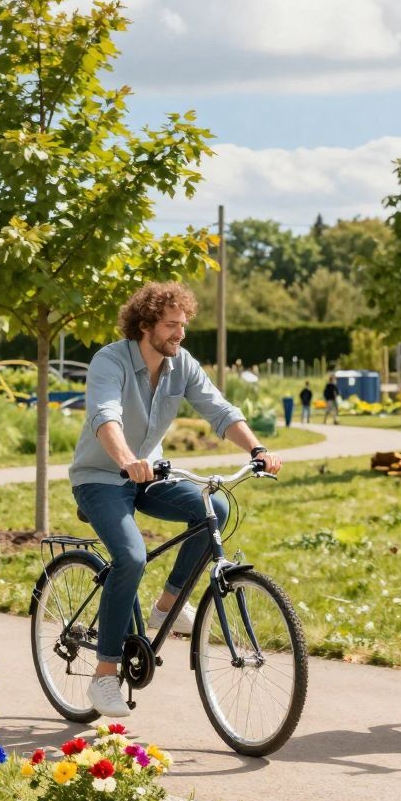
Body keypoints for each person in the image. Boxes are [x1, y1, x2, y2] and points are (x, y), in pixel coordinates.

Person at [69, 282, 282, 718]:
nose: (180, 334)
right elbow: (104, 417)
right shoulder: (109, 361)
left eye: (183, 325)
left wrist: (256, 450)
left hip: (149, 473)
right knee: (131, 556)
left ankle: (166, 605)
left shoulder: (179, 363)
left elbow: (218, 410)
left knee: (215, 509)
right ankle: (104, 675)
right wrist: (128, 459)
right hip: (101, 477)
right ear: (145, 325)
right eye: (171, 326)